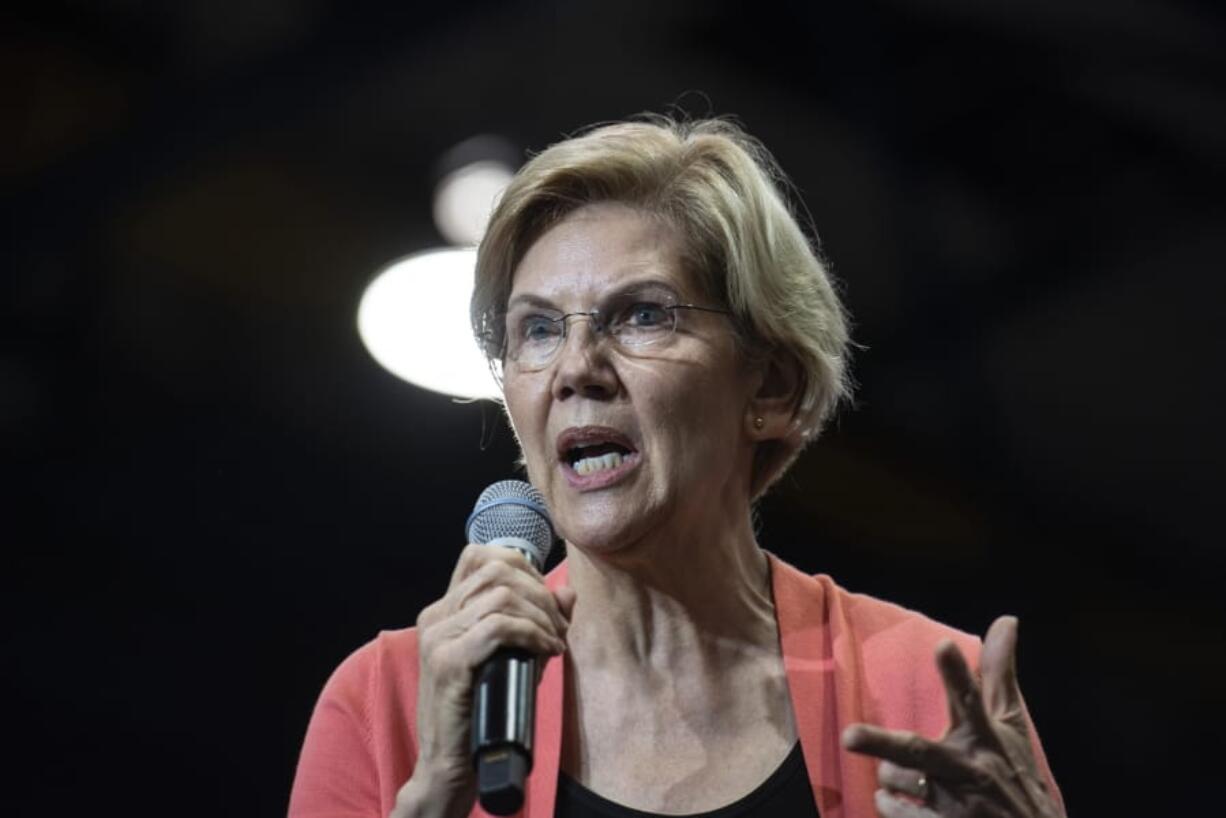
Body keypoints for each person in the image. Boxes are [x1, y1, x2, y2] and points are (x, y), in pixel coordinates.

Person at [288, 116, 1066, 818]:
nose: (575, 367)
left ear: (770, 385)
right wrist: (430, 800)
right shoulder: (388, 703)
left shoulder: (926, 695)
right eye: (537, 329)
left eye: (642, 315)